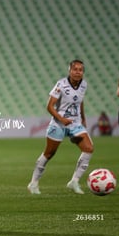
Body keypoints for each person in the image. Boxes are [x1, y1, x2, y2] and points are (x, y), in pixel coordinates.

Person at [27, 60, 93, 195]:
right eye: (75, 69)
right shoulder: (61, 84)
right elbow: (49, 106)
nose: (77, 72)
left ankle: (74, 181)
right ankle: (33, 183)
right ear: (69, 71)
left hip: (75, 124)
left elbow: (80, 101)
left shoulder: (84, 85)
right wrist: (62, 119)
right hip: (59, 123)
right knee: (49, 153)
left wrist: (83, 118)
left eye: (80, 70)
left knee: (89, 148)